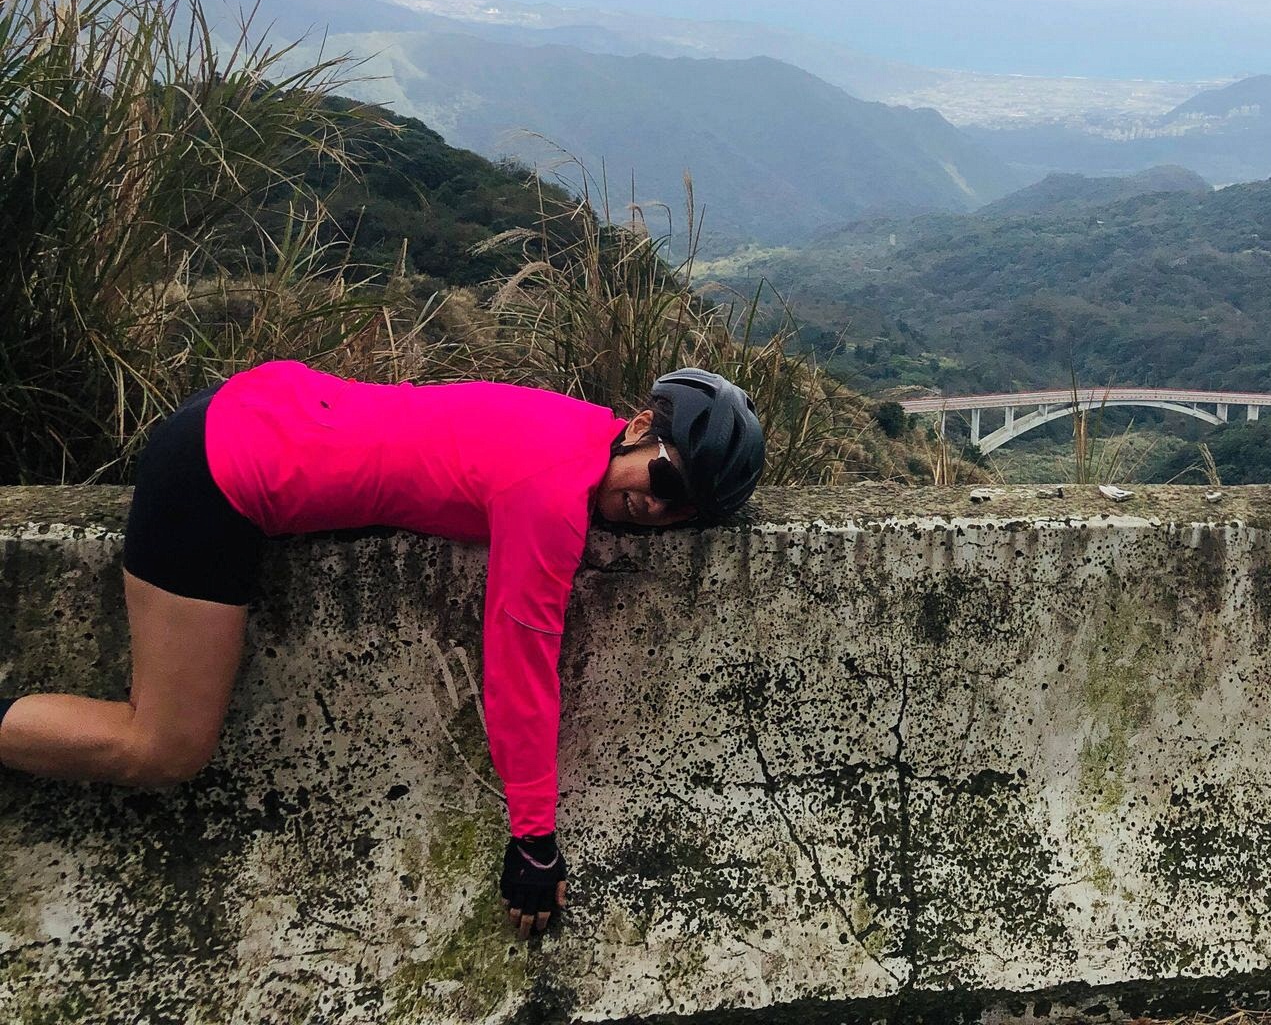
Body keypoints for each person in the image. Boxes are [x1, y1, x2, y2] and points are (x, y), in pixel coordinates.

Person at [0, 361, 765, 937]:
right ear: (640, 426)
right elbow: (519, 672)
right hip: (220, 474)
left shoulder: (574, 425)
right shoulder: (553, 497)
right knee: (162, 748)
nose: (657, 508)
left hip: (256, 407)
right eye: (666, 481)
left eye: (683, 514)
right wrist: (534, 840)